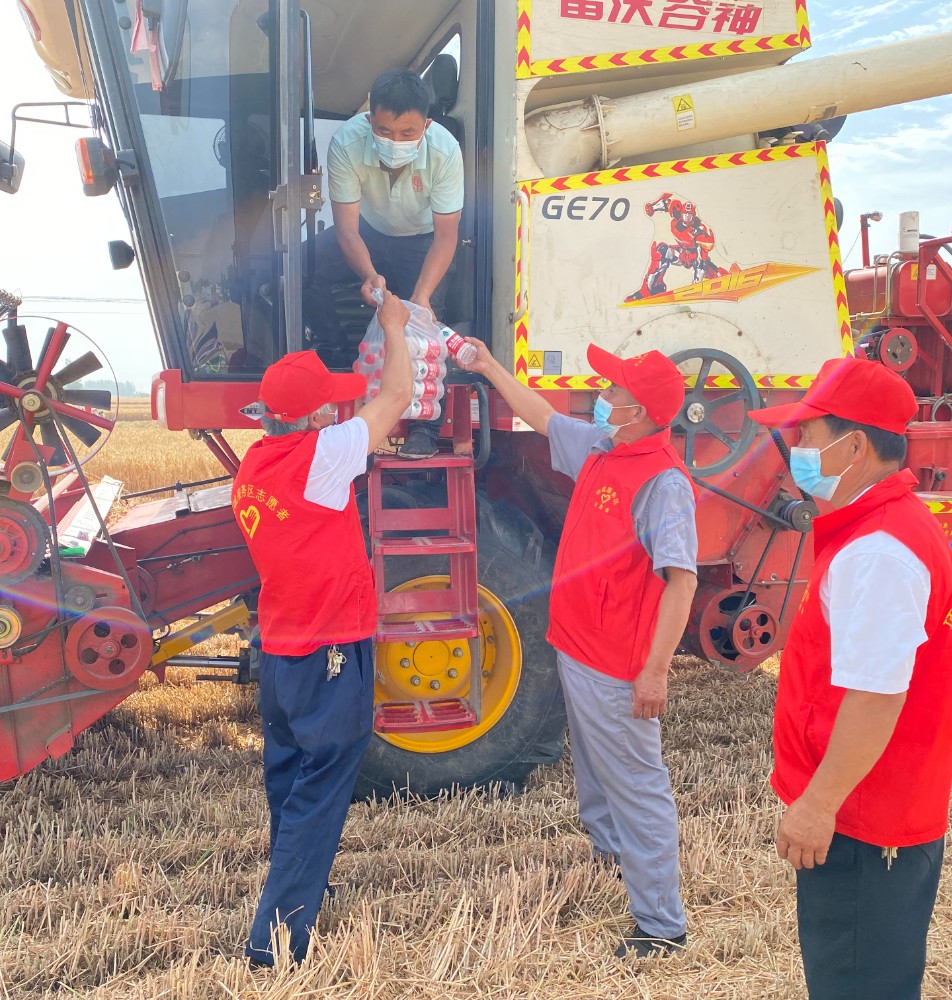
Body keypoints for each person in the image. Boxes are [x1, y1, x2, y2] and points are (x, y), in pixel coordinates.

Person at [457, 336, 698, 958]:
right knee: (594, 769)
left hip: (619, 663)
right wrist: (488, 367)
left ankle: (661, 926)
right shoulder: (603, 446)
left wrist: (656, 671)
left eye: (614, 391)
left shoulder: (663, 484)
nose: (602, 395)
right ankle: (609, 853)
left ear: (639, 412)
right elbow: (544, 417)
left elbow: (682, 581)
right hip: (576, 644)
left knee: (638, 784)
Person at [747, 356, 952, 1000]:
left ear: (855, 445)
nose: (796, 451)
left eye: (808, 436)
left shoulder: (879, 552)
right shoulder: (880, 531)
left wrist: (817, 805)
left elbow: (875, 697)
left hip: (863, 826)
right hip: (872, 812)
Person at [233, 292, 413, 967]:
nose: (337, 408)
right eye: (327, 404)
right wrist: (395, 329)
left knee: (287, 781)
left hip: (281, 653)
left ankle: (302, 889)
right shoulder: (322, 459)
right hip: (330, 653)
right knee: (320, 788)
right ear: (310, 415)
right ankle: (274, 945)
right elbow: (393, 398)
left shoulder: (254, 466)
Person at [305, 67, 464, 460]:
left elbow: (446, 236)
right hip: (369, 234)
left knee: (424, 319)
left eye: (408, 133)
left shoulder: (445, 152)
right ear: (369, 119)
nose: (395, 141)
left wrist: (422, 295)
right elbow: (346, 230)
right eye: (384, 131)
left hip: (422, 238)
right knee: (306, 268)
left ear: (426, 125)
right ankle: (335, 352)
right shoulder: (346, 142)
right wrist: (369, 273)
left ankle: (424, 428)